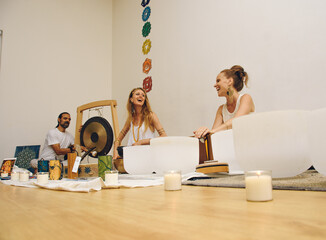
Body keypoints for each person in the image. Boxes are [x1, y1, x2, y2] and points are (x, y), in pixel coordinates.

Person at [194, 65, 255, 138]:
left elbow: (236, 122)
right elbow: (213, 135)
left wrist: (213, 131)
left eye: (218, 81)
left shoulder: (245, 98)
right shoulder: (221, 110)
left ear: (230, 81)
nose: (215, 85)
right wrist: (204, 132)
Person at [113, 87, 167, 159]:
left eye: (143, 95)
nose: (140, 96)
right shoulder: (130, 118)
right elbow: (118, 139)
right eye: (137, 94)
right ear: (131, 99)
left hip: (148, 158)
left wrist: (141, 142)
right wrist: (115, 153)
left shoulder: (150, 115)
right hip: (132, 158)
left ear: (144, 100)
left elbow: (164, 136)